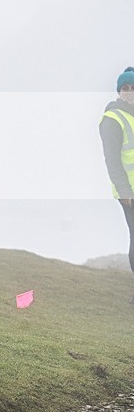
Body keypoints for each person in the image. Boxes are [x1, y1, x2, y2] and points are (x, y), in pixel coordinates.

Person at [99, 67, 134, 305]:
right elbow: (111, 159)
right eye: (125, 88)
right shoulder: (112, 118)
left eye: (133, 88)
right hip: (130, 192)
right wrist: (124, 192)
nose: (129, 92)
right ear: (119, 92)